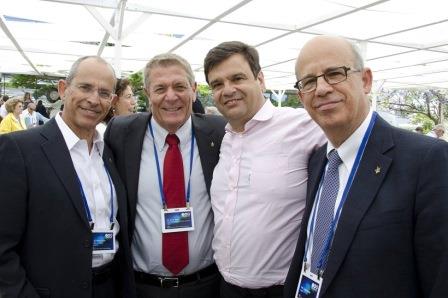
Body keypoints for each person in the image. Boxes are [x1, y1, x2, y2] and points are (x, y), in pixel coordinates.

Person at [284, 35, 448, 298]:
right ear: (301, 96)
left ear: (365, 80)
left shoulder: (427, 160)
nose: (322, 88)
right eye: (309, 81)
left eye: (334, 73)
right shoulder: (318, 160)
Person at [0, 56, 135, 298]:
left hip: (110, 287)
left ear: (112, 101)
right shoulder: (19, 149)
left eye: (104, 93)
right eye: (85, 87)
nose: (93, 99)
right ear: (63, 89)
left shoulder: (110, 152)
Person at [203, 41, 325, 298]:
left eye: (237, 78)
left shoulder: (301, 125)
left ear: (260, 79)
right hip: (225, 287)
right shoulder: (223, 138)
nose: (228, 90)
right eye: (217, 84)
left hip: (280, 289)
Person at [105, 53, 226, 298]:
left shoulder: (220, 132)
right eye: (160, 88)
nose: (171, 96)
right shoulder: (120, 133)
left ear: (193, 90)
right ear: (148, 94)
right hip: (142, 288)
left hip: (207, 286)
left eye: (180, 86)